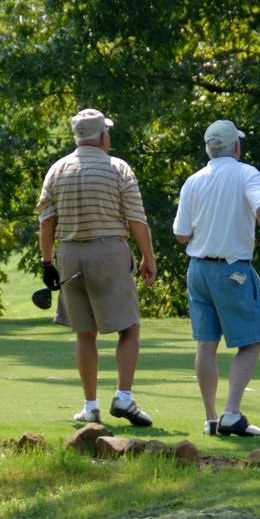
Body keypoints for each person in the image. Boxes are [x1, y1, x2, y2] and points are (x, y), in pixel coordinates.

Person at [37, 107, 159, 426]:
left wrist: (46, 262)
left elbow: (47, 221)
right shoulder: (117, 168)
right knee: (129, 327)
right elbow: (136, 219)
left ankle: (90, 406)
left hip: (68, 255)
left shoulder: (57, 170)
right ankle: (124, 397)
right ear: (103, 137)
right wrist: (148, 257)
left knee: (84, 333)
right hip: (108, 252)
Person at [173, 119, 260, 437]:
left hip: (198, 270)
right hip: (233, 271)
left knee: (206, 345)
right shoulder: (246, 172)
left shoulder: (193, 180)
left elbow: (181, 235)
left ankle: (211, 419)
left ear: (209, 147)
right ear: (236, 146)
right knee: (250, 342)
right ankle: (231, 413)